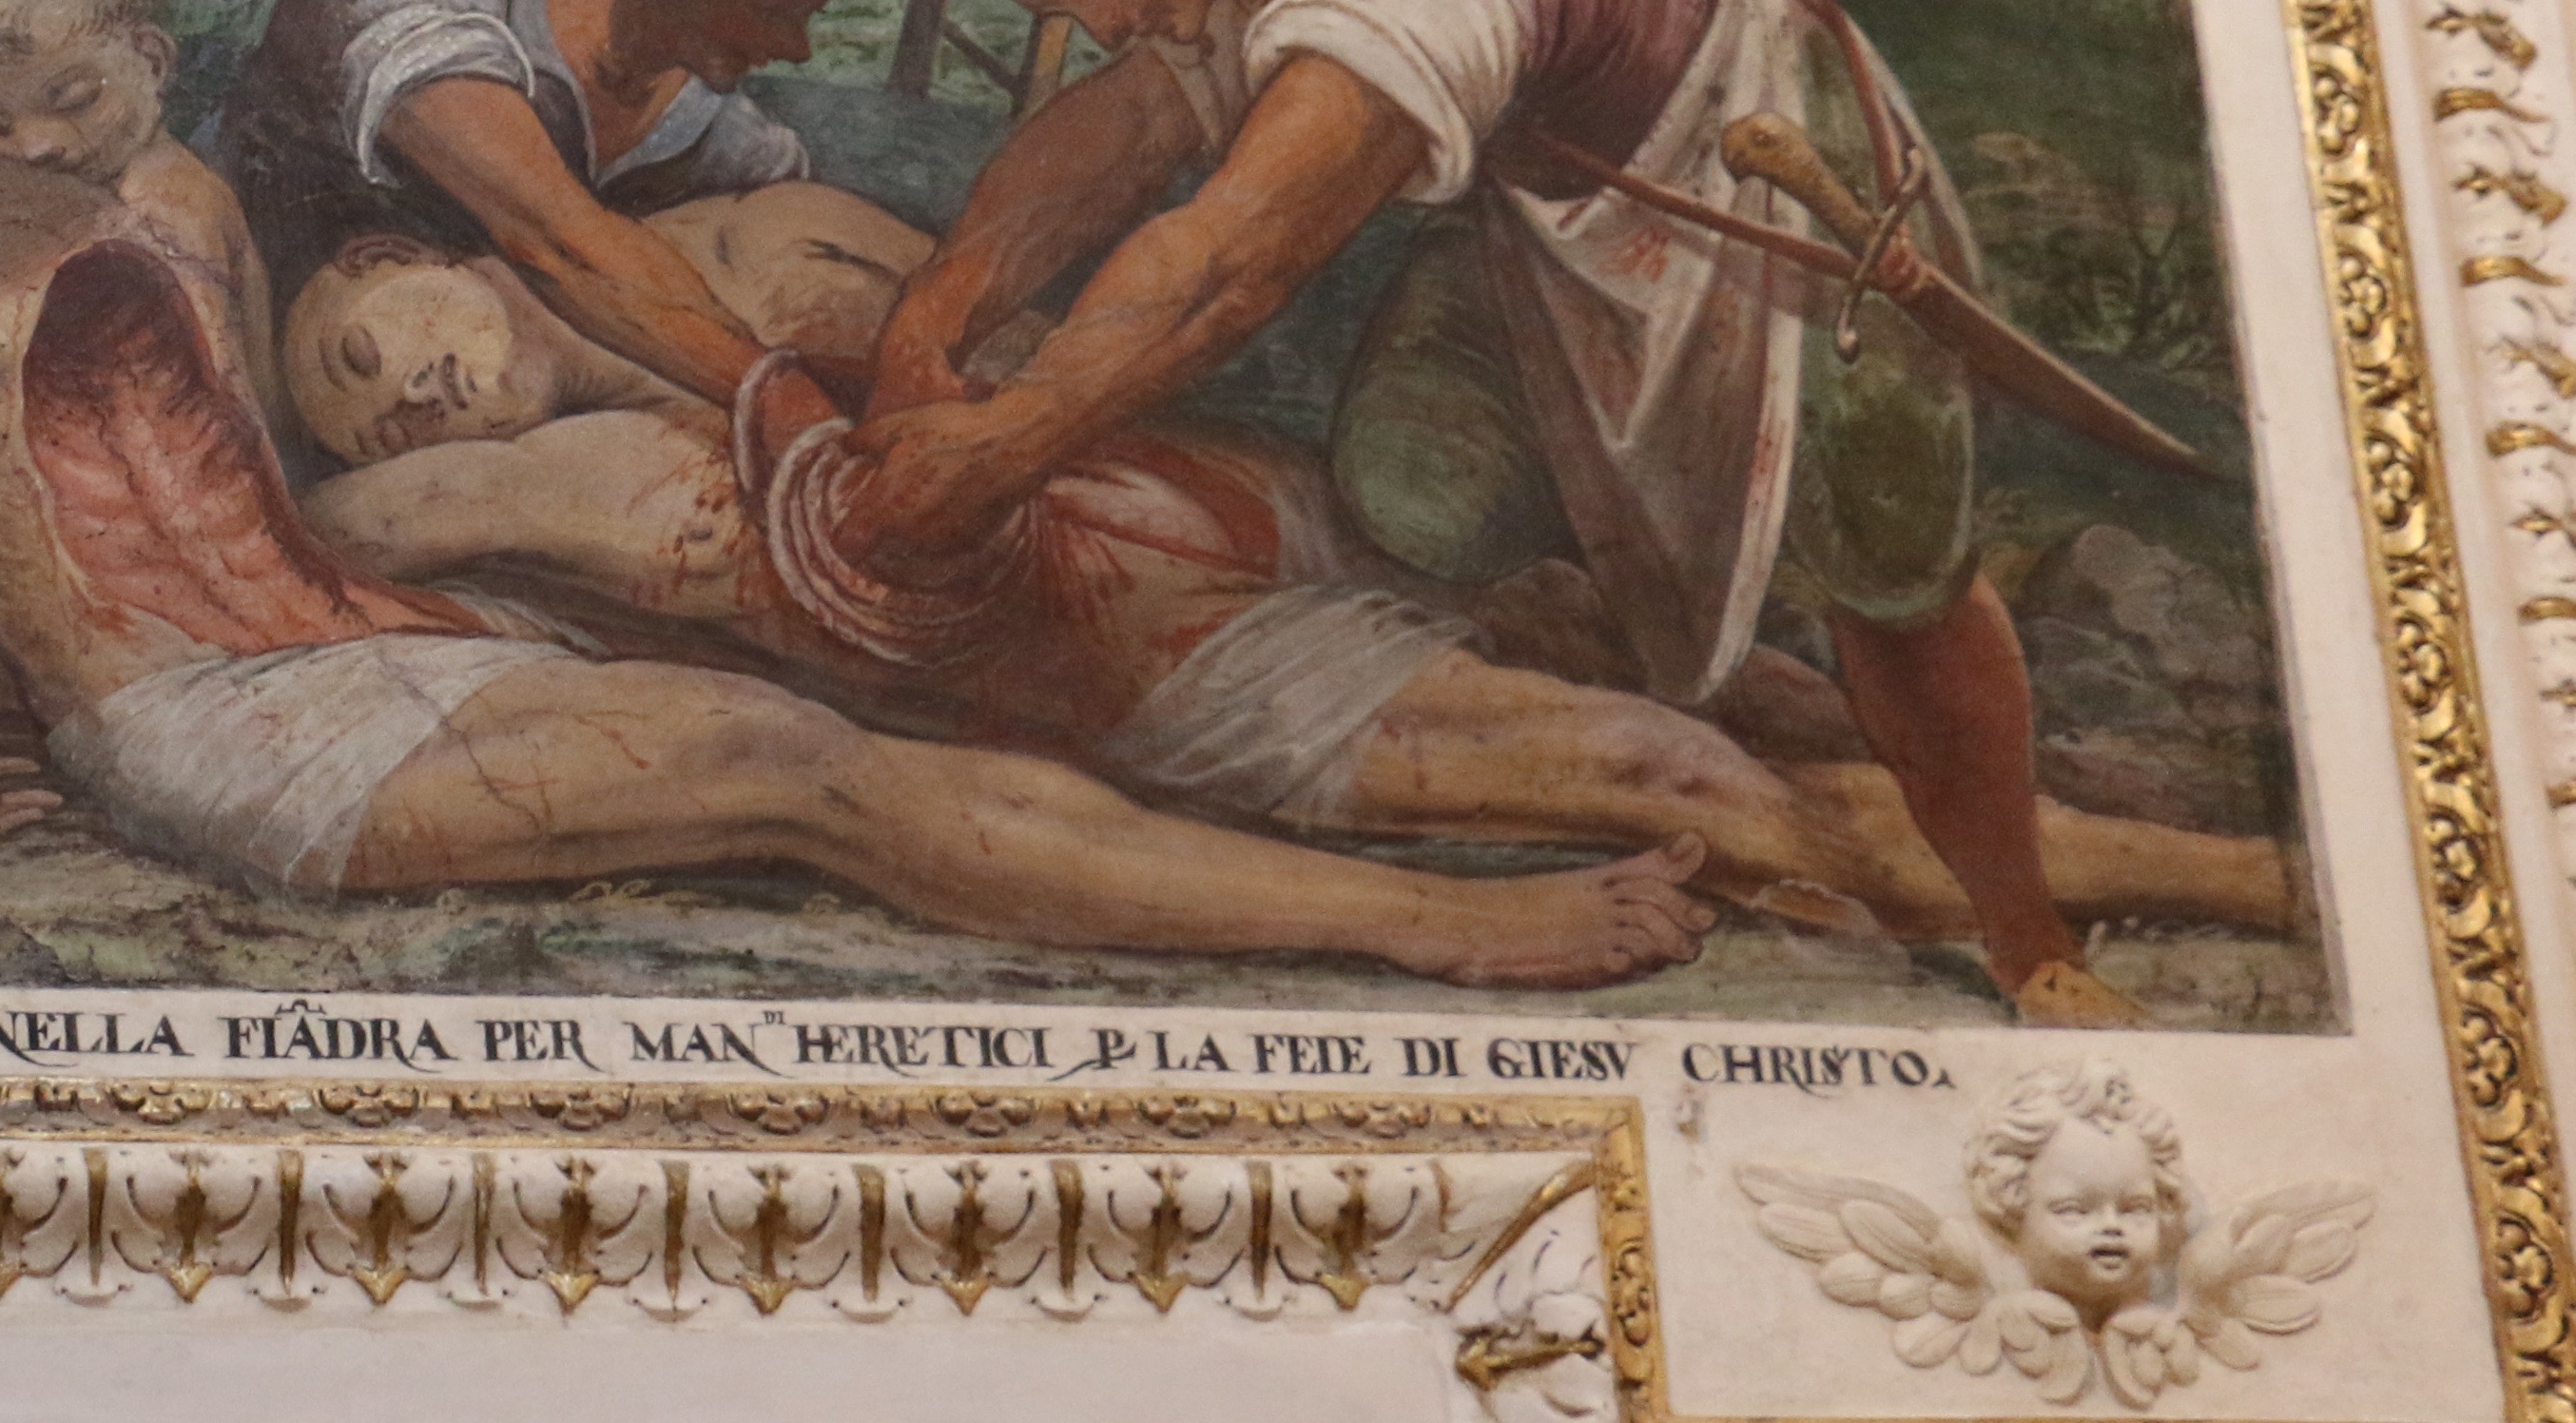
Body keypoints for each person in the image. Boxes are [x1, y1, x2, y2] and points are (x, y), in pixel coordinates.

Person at [0, 0, 1711, 984]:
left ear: (142, 42)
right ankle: (1430, 930)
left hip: (363, 630)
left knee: (863, 690)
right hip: (205, 727)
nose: (32, 139)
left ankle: (1419, 745)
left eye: (69, 89)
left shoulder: (188, 194)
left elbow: (281, 476)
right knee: (806, 783)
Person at [787, 0, 2142, 1023]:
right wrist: (928, 324)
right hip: (1562, 212)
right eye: (1070, 5)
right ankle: (1695, 669)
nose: (1103, 21)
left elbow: (1226, 270)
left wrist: (1009, 442)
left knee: (1895, 585)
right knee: (1417, 490)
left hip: (1760, 180)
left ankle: (2027, 935)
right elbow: (1130, 124)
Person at [277, 212, 2293, 950]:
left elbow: (1033, 338)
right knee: (1677, 780)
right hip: (1167, 672)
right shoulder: (505, 489)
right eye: (352, 408)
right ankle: (2246, 887)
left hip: (1237, 507)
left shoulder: (744, 245)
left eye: (374, 340)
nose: (399, 400)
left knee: (1712, 671)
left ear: (420, 253)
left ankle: (2096, 818)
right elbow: (344, 542)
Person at [211, 0, 877, 400]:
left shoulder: (726, 135)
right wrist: (785, 407)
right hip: (265, 347)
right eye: (777, 16)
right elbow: (556, 244)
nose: (796, 51)